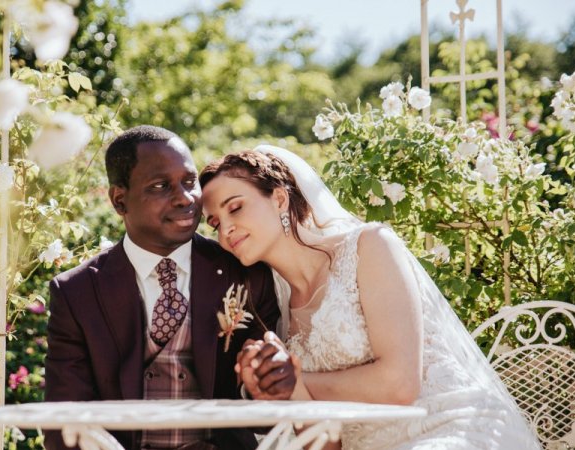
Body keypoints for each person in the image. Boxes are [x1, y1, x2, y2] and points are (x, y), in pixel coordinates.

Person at [199, 145, 541, 450]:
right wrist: (277, 390)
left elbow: (400, 384)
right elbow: (323, 442)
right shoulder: (271, 315)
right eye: (214, 223)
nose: (225, 229)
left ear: (279, 198)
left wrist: (297, 380)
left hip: (449, 428)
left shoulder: (370, 247)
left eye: (236, 208)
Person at [44, 126, 294, 450]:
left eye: (189, 182)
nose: (185, 198)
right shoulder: (76, 293)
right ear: (120, 200)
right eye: (161, 186)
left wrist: (265, 386)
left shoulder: (245, 273)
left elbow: (263, 414)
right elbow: (64, 422)